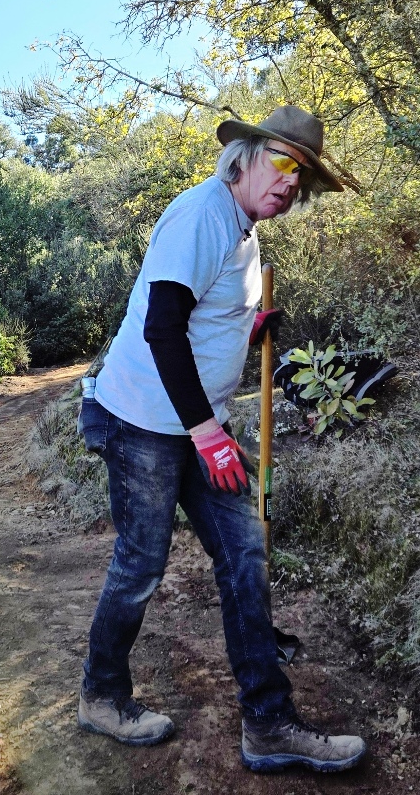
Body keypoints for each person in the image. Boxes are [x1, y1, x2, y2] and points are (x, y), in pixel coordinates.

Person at [77, 106, 367, 774]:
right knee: (140, 567)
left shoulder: (243, 229)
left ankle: (267, 723)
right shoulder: (201, 214)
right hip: (145, 423)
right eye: (284, 162)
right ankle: (100, 694)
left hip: (197, 424)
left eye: (305, 175)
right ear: (244, 157)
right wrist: (207, 432)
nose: (292, 182)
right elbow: (161, 328)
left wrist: (249, 326)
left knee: (243, 553)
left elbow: (203, 318)